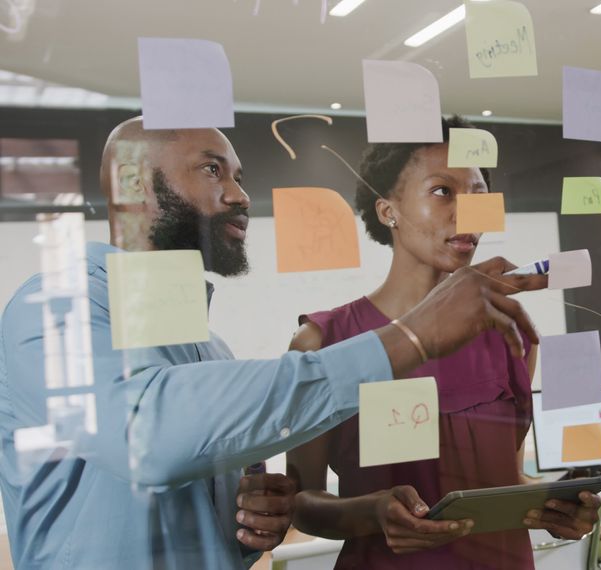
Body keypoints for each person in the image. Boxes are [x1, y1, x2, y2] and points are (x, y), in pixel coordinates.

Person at [0, 117, 546, 569]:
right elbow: (149, 435)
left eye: (239, 176)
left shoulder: (209, 350)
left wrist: (253, 524)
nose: (239, 195)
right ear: (134, 185)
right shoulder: (55, 308)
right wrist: (411, 337)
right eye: (213, 170)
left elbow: (217, 529)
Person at [286, 116, 601, 569]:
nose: (467, 212)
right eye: (443, 191)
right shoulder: (323, 341)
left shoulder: (510, 335)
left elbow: (503, 479)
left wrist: (554, 506)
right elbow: (300, 504)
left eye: (477, 195)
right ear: (387, 210)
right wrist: (371, 513)